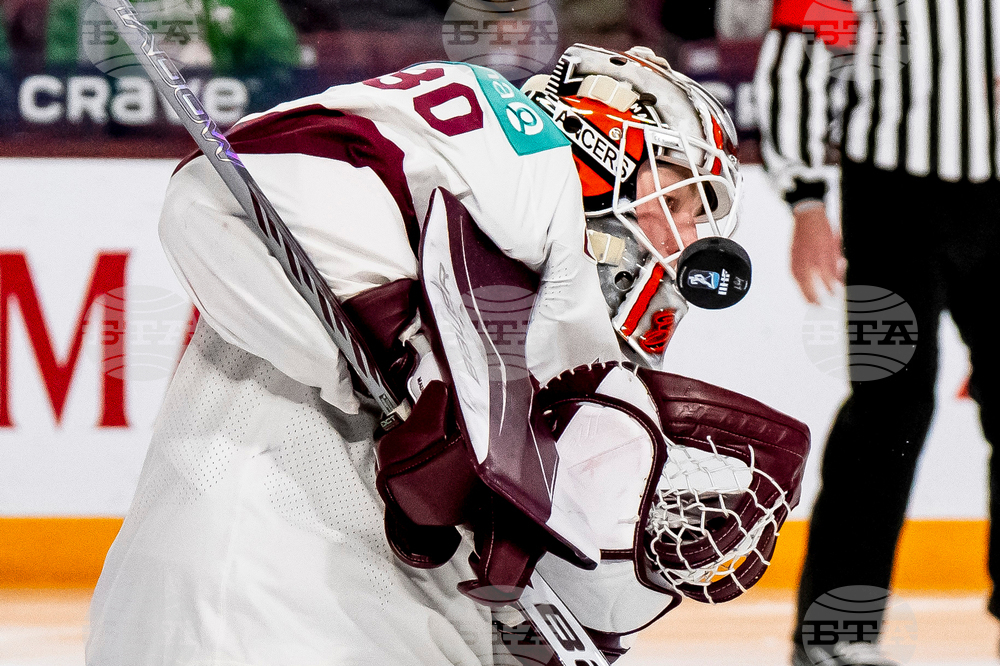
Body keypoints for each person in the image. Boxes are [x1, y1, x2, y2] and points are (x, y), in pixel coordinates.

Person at [86, 43, 797, 666]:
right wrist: (414, 348)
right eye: (677, 195)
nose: (681, 238)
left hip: (372, 630)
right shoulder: (517, 153)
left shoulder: (574, 349)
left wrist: (583, 591)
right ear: (602, 146)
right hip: (256, 606)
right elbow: (233, 191)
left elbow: (509, 605)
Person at [754, 0, 1000, 663]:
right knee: (891, 406)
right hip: (894, 199)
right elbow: (801, 57)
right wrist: (805, 199)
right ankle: (835, 632)